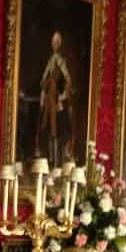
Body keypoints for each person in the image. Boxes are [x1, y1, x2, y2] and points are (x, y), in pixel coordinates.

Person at [36, 31, 73, 166]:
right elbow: (43, 81)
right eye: (53, 41)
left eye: (57, 42)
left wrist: (63, 96)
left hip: (55, 99)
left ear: (60, 44)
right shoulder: (51, 59)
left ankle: (56, 162)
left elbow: (68, 79)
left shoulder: (60, 60)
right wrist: (42, 95)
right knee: (47, 128)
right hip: (48, 98)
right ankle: (50, 160)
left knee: (54, 129)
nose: (55, 44)